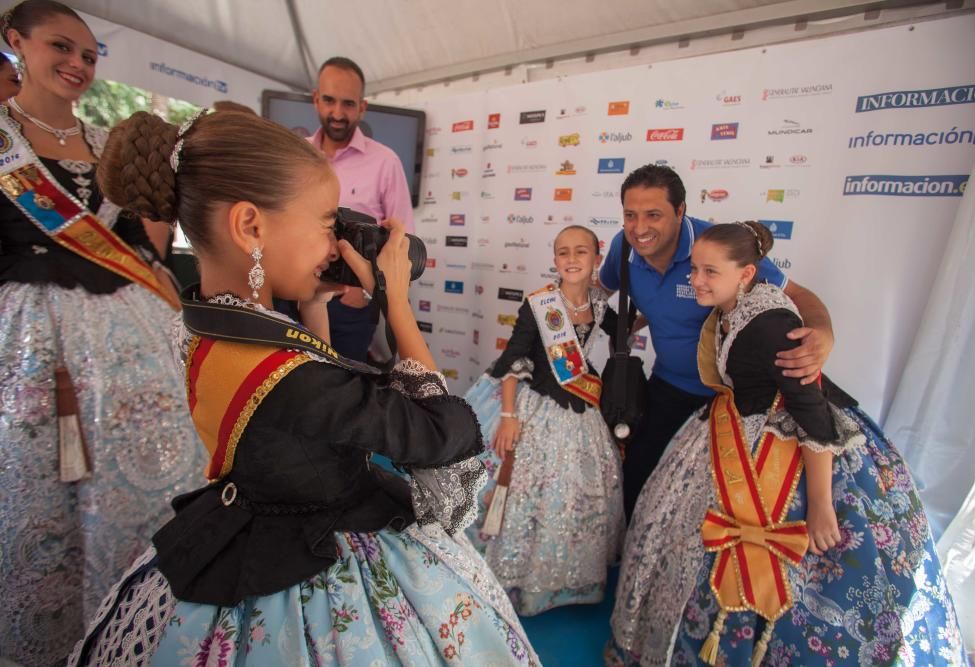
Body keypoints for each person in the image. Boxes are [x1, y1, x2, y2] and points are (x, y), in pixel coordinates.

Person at [69, 109, 538, 666]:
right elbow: (443, 437)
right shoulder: (295, 381)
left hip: (240, 523)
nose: (334, 241)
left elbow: (302, 401)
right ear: (250, 226)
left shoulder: (203, 319)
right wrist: (396, 305)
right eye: (324, 222)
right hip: (313, 561)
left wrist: (312, 308)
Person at [607, 222, 967, 666]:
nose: (696, 280)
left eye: (709, 271)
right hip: (736, 425)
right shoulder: (735, 301)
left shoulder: (771, 325)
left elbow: (813, 415)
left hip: (790, 452)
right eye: (695, 269)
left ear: (746, 273)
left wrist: (820, 504)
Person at [0, 2, 203, 665]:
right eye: (61, 47)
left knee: (139, 483)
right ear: (15, 44)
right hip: (26, 344)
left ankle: (125, 623)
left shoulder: (101, 138)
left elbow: (122, 241)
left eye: (90, 56)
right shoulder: (4, 141)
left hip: (123, 341)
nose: (78, 65)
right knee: (37, 498)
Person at [600, 164, 835, 521]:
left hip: (732, 402)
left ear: (681, 212)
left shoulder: (719, 249)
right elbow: (601, 292)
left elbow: (798, 294)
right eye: (630, 215)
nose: (640, 228)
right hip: (668, 386)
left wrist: (823, 332)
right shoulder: (623, 247)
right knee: (638, 482)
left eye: (653, 215)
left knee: (709, 505)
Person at [464, 225, 624, 615]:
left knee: (571, 495)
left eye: (581, 252)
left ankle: (563, 579)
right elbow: (514, 360)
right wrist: (507, 415)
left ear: (597, 260)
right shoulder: (540, 304)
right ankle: (509, 577)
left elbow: (624, 332)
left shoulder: (601, 306)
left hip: (580, 412)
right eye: (563, 252)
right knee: (525, 491)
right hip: (532, 404)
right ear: (555, 260)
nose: (571, 259)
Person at [280, 55, 414, 363]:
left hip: (349, 305)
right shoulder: (297, 156)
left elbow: (402, 239)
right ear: (315, 100)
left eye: (348, 104)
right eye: (329, 100)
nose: (337, 113)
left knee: (341, 396)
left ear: (362, 107)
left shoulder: (385, 161)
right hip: (291, 295)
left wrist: (362, 293)